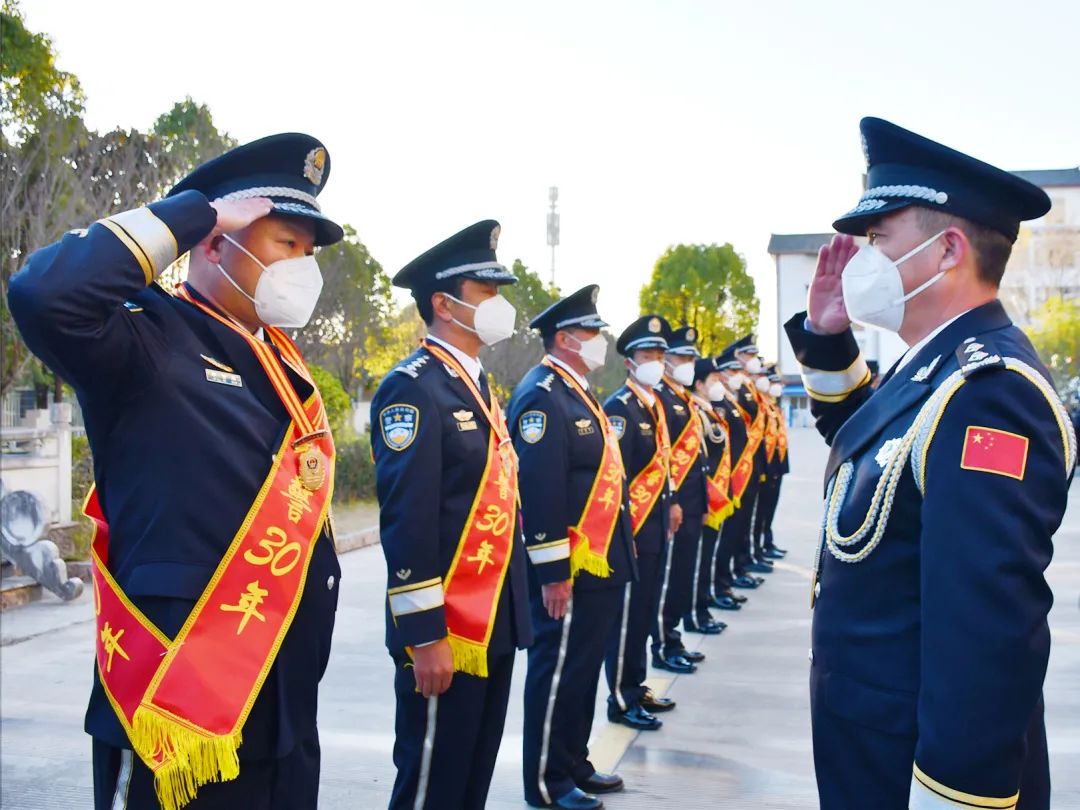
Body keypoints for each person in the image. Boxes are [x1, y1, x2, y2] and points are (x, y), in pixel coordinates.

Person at [9, 133, 345, 810]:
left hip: (280, 709)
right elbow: (43, 295)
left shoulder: (285, 366)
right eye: (285, 243)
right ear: (219, 243)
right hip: (175, 702)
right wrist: (194, 214)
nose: (302, 266)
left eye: (309, 252)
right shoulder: (145, 334)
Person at [785, 116, 1076, 810]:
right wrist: (827, 340)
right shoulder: (931, 370)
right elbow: (873, 452)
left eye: (880, 239)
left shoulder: (990, 393)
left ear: (947, 251)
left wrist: (955, 797)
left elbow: (984, 638)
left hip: (912, 767)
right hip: (869, 743)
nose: (863, 258)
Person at [370, 220, 532, 810]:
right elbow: (408, 519)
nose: (499, 306)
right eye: (486, 294)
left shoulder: (478, 387)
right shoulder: (413, 389)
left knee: (470, 778)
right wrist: (425, 634)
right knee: (431, 782)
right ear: (443, 303)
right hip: (446, 631)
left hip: (492, 623)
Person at [510, 285, 635, 810]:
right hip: (569, 568)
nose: (599, 341)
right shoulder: (542, 394)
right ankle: (546, 781)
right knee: (557, 670)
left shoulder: (576, 390)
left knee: (581, 670)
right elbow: (540, 491)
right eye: (592, 333)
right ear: (564, 338)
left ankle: (573, 762)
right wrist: (553, 571)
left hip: (600, 560)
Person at [603, 315, 679, 732]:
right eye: (649, 355)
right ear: (631, 361)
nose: (658, 362)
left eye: (660, 355)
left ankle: (636, 683)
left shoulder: (653, 405)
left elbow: (659, 465)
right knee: (627, 617)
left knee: (645, 610)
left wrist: (669, 502)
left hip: (655, 528)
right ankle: (620, 695)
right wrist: (623, 531)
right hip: (632, 532)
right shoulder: (620, 408)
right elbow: (616, 478)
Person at [651, 324, 709, 673]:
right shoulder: (660, 398)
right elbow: (662, 457)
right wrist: (672, 500)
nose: (688, 363)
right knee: (669, 580)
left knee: (683, 573)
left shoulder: (683, 399)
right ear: (667, 360)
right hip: (672, 505)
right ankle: (664, 643)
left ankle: (673, 638)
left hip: (690, 503)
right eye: (681, 357)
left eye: (691, 357)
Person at [682, 356, 732, 636]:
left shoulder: (709, 411)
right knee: (697, 561)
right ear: (699, 384)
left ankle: (702, 608)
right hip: (703, 495)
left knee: (705, 557)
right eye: (713, 380)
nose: (719, 383)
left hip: (714, 495)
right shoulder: (695, 412)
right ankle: (694, 614)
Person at [708, 347, 754, 607]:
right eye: (731, 371)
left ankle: (726, 579)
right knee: (721, 540)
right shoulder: (716, 404)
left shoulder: (731, 400)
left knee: (734, 532)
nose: (738, 375)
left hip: (738, 477)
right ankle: (719, 585)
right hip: (724, 481)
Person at [755, 365, 789, 560]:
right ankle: (759, 547)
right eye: (773, 381)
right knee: (760, 513)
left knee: (769, 510)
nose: (777, 386)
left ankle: (766, 542)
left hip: (776, 464)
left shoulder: (772, 406)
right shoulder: (761, 405)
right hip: (765, 466)